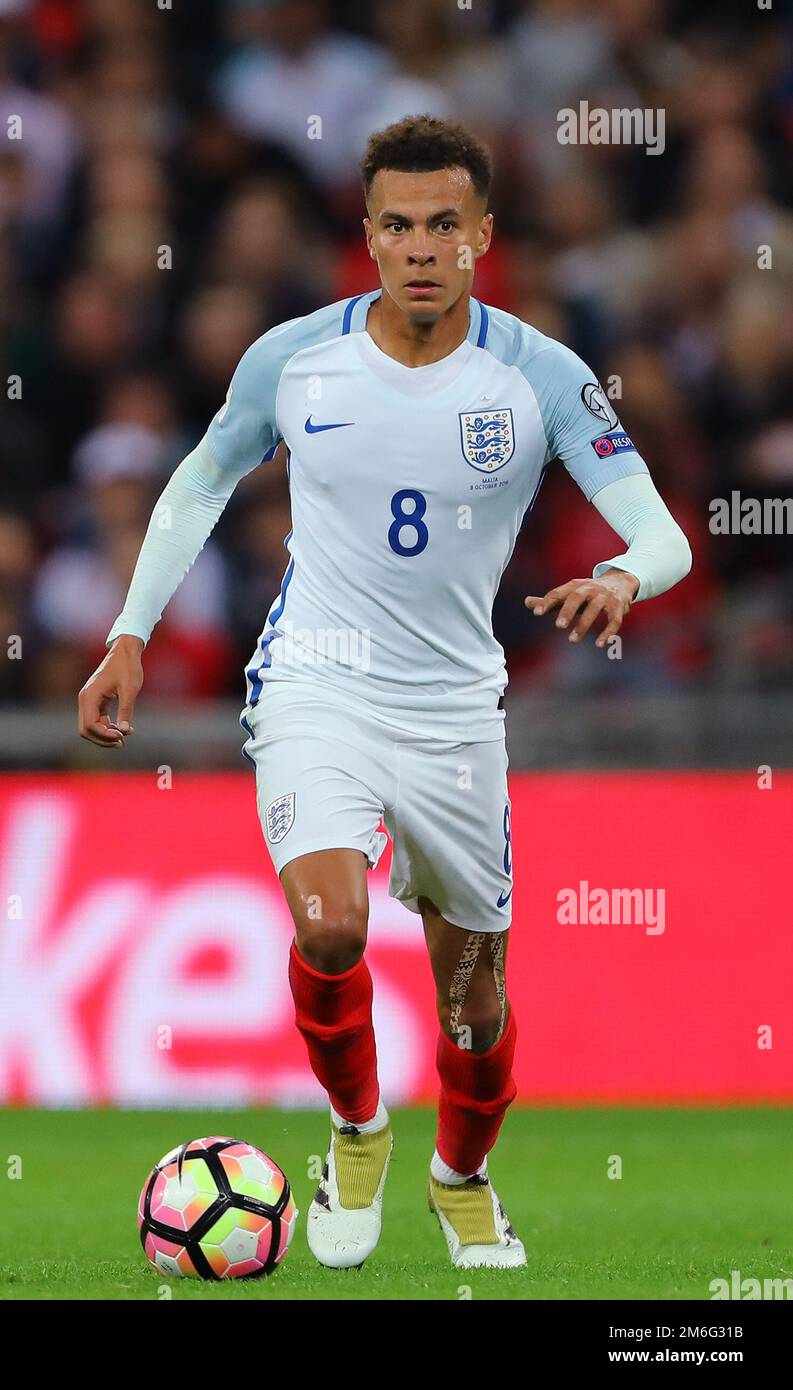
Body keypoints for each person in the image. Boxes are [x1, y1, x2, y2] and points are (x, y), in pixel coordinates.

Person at [78, 115, 691, 1271]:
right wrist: (128, 632)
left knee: (475, 1006)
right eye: (397, 225)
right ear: (366, 237)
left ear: (481, 236)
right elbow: (195, 487)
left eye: (443, 225)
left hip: (456, 712)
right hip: (319, 683)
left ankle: (460, 1176)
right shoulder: (291, 358)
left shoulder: (541, 373)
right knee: (331, 922)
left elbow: (662, 537)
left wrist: (619, 572)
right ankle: (355, 1131)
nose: (419, 247)